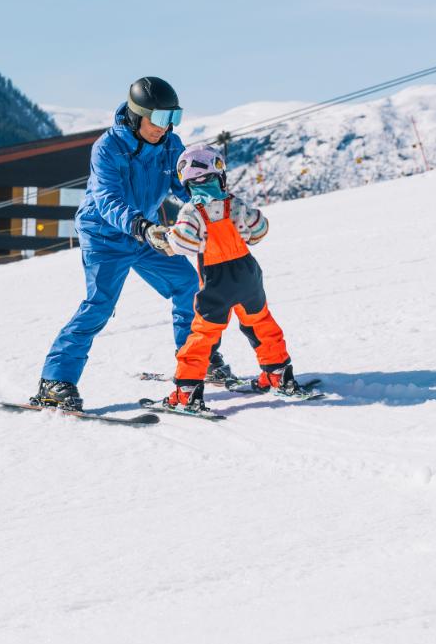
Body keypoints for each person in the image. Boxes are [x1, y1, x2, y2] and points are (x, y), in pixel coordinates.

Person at [33, 77, 235, 411]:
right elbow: (107, 199)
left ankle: (197, 357)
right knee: (100, 305)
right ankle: (56, 381)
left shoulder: (171, 145)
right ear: (136, 114)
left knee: (189, 284)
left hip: (145, 233)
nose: (166, 127)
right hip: (105, 235)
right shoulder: (108, 148)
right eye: (159, 119)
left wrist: (216, 207)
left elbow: (185, 184)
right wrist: (142, 226)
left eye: (174, 118)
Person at [159, 145, 312, 414]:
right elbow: (259, 230)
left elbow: (184, 242)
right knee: (261, 323)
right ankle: (279, 374)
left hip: (217, 281)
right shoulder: (235, 203)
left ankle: (186, 391)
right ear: (220, 176)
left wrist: (169, 238)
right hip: (247, 274)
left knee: (204, 333)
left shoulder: (191, 211)